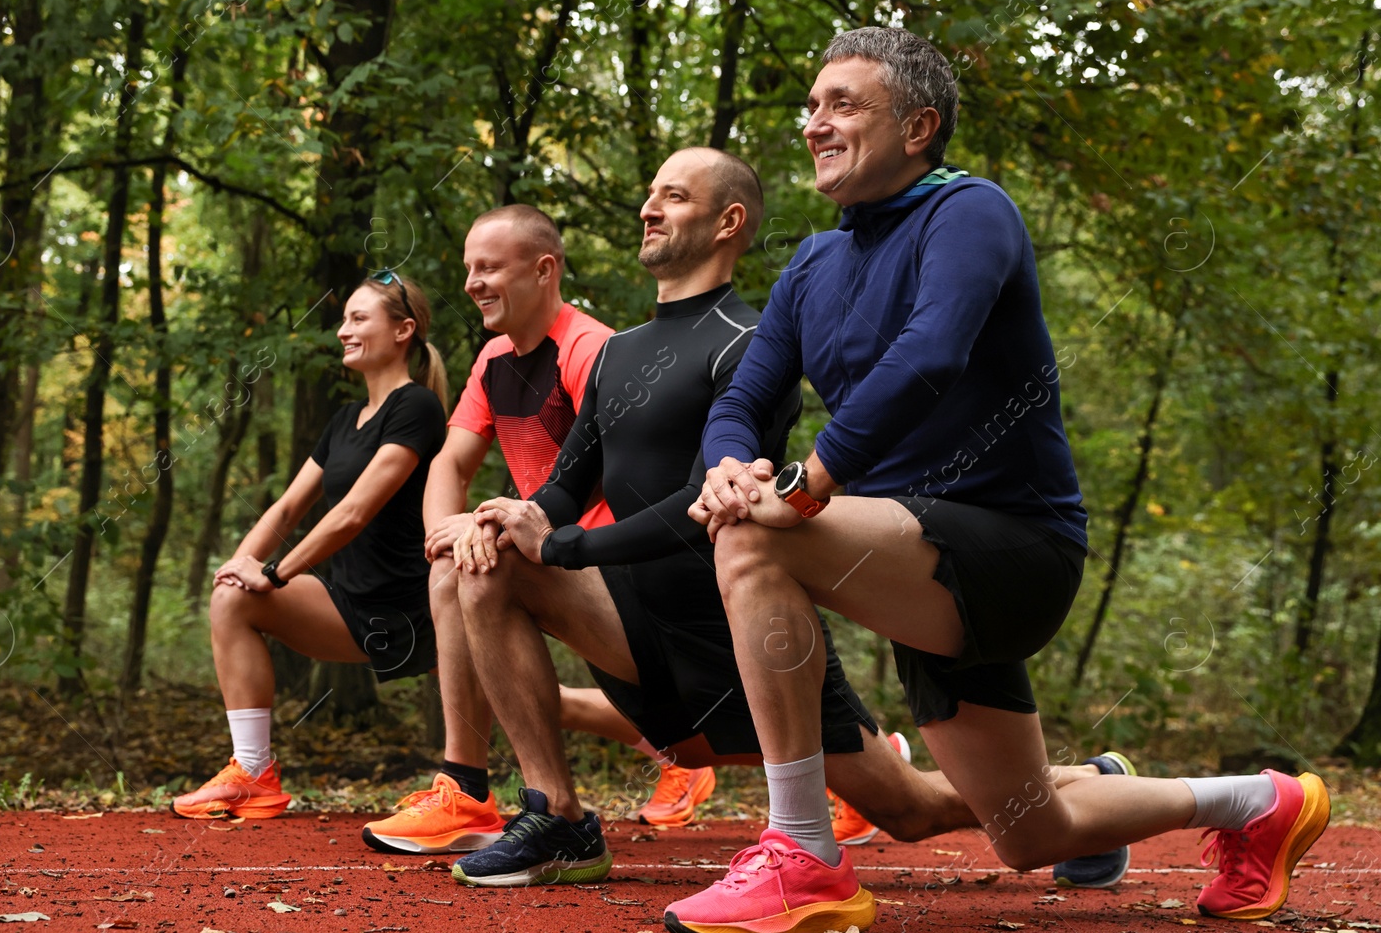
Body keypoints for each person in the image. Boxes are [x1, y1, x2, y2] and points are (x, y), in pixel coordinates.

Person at [683, 26, 1329, 933]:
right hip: (913, 558)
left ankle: (801, 856)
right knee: (1031, 831)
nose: (814, 124)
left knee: (754, 538)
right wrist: (727, 464)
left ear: (919, 126)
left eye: (843, 104)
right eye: (812, 105)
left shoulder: (971, 211)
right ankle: (1261, 801)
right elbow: (744, 393)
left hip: (1013, 545)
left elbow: (929, 356)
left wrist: (806, 482)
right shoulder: (812, 267)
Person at [446, 147, 1036, 891]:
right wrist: (512, 519)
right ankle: (558, 818)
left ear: (729, 222)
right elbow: (567, 485)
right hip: (635, 623)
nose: (648, 208)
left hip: (743, 630)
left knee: (912, 810)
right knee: (488, 561)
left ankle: (1080, 787)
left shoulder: (749, 344)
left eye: (674, 195)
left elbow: (704, 508)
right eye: (650, 192)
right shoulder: (617, 352)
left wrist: (565, 545)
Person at [361, 206, 721, 855]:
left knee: (709, 730)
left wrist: (504, 531)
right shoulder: (494, 357)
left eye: (489, 266)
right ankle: (469, 787)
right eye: (469, 267)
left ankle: (818, 749)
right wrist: (450, 526)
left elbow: (625, 475)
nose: (471, 281)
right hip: (546, 555)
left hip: (620, 568)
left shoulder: (592, 350)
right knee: (457, 567)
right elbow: (452, 459)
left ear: (545, 269)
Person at [171, 274, 449, 820]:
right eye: (343, 319)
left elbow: (351, 514)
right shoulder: (346, 420)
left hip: (411, 609)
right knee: (231, 599)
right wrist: (240, 566)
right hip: (348, 604)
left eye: (359, 318)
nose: (343, 330)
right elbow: (287, 508)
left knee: (536, 697)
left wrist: (273, 574)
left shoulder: (416, 407)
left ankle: (663, 748)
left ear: (403, 330)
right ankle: (253, 774)